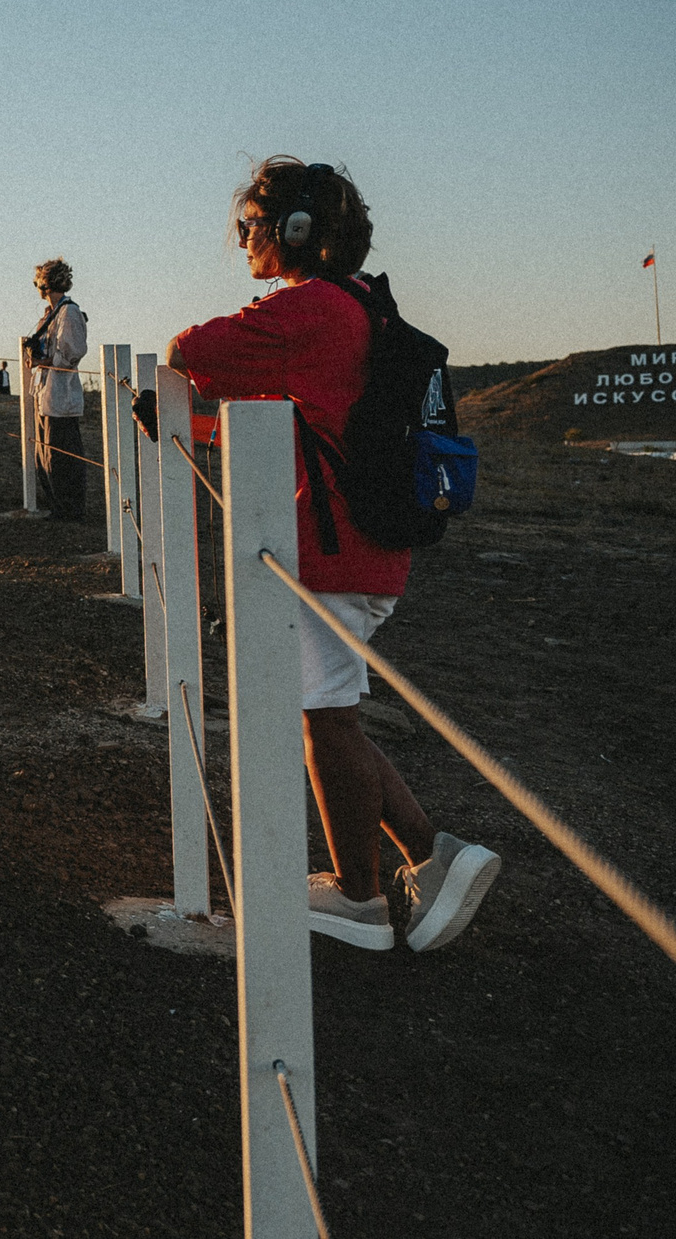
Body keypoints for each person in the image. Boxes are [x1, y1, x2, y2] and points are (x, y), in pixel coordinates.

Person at [167, 158, 501, 954]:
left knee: (327, 718)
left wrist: (234, 336)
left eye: (251, 225)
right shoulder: (359, 304)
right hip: (365, 548)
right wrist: (196, 426)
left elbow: (191, 349)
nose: (243, 240)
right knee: (330, 710)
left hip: (331, 549)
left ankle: (361, 894)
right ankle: (430, 856)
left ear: (296, 231)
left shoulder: (308, 307)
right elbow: (293, 424)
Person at [27, 259, 88, 519]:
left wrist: (42, 361)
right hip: (46, 392)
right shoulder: (52, 313)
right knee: (46, 453)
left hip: (61, 393)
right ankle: (57, 507)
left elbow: (70, 354)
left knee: (62, 454)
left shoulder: (68, 313)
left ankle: (69, 509)